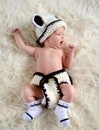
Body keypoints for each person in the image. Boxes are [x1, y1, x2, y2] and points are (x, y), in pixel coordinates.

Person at [11, 13, 76, 127]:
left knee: (70, 90)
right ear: (46, 36)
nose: (63, 38)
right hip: (41, 86)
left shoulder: (60, 51)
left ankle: (62, 108)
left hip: (59, 84)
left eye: (63, 35)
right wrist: (17, 35)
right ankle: (35, 106)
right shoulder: (38, 51)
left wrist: (71, 53)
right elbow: (23, 47)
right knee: (26, 91)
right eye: (59, 34)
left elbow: (67, 65)